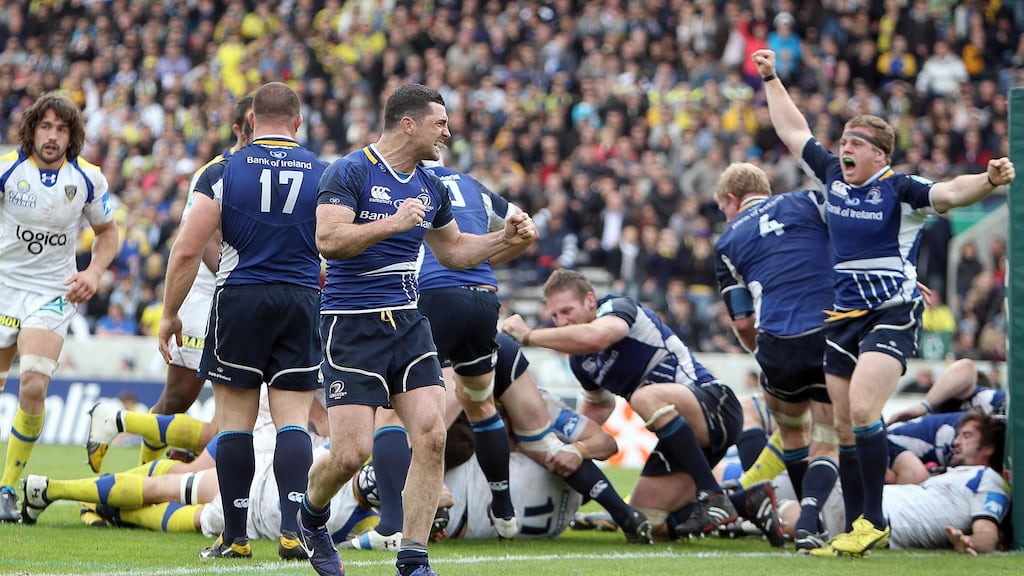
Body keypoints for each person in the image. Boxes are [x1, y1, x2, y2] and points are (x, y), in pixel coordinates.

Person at [752, 47, 1016, 557]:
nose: (843, 148)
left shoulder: (899, 189)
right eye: (843, 141)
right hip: (843, 317)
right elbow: (793, 131)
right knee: (844, 425)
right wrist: (771, 79)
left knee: (863, 408)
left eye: (855, 142)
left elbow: (951, 192)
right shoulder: (832, 175)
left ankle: (873, 520)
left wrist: (987, 180)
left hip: (891, 313)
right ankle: (857, 528)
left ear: (880, 154)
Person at [299, 83, 535, 576]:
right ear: (408, 124)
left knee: (430, 436)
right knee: (350, 454)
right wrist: (391, 223)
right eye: (440, 123)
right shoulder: (351, 170)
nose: (447, 133)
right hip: (353, 326)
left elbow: (453, 253)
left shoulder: (430, 186)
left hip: (409, 322)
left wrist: (503, 237)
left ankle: (413, 559)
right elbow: (328, 240)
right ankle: (311, 517)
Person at [158, 82, 326, 560]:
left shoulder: (223, 170)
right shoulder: (324, 172)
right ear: (297, 122)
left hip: (241, 299)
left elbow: (189, 247)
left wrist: (170, 313)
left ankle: (235, 537)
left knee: (235, 422)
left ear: (250, 121)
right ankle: (294, 534)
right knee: (294, 420)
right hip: (299, 299)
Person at [501, 269, 744, 538]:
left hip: (715, 405)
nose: (561, 322)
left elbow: (597, 337)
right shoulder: (580, 361)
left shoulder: (618, 307)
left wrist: (529, 336)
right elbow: (599, 405)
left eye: (567, 311)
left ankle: (713, 495)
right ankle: (749, 502)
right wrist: (572, 447)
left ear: (590, 301)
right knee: (648, 519)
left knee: (643, 396)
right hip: (687, 437)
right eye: (555, 315)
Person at [0, 92, 119, 522]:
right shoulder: (7, 171)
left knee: (33, 383)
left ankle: (7, 488)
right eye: (45, 127)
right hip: (3, 287)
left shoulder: (88, 178)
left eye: (61, 129)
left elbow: (108, 233)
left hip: (52, 291)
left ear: (72, 136)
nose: (52, 136)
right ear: (31, 130)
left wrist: (94, 272)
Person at [712, 161, 838, 552]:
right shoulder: (809, 202)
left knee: (794, 432)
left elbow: (744, 322)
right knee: (829, 437)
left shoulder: (727, 242)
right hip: (829, 331)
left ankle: (803, 519)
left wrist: (761, 355)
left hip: (778, 342)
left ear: (731, 200)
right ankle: (811, 522)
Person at [417, 161, 534, 539]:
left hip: (432, 297)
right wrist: (483, 257)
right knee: (481, 405)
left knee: (405, 408)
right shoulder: (472, 185)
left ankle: (425, 505)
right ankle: (502, 505)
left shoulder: (404, 177)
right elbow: (525, 230)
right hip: (483, 299)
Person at [140, 96, 256, 467]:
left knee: (241, 404)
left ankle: (196, 470)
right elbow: (201, 238)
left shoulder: (272, 169)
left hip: (252, 296)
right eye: (252, 129)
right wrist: (235, 278)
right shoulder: (215, 171)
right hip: (207, 293)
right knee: (178, 399)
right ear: (238, 129)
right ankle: (142, 474)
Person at [778, 410, 1009, 555]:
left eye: (967, 436)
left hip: (880, 521)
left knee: (823, 439)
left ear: (989, 448)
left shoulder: (988, 480)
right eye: (958, 435)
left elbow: (988, 533)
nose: (956, 442)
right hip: (866, 509)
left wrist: (969, 542)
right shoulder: (952, 472)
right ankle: (750, 514)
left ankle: (750, 505)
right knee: (794, 499)